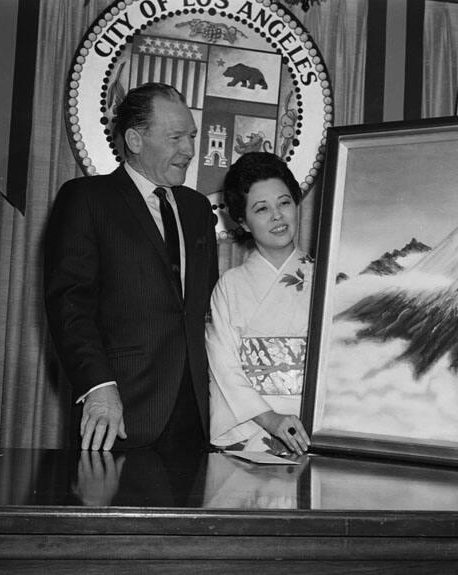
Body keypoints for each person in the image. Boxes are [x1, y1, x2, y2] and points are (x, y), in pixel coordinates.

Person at [45, 82, 218, 451]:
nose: (189, 150)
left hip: (197, 418)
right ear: (136, 140)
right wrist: (99, 387)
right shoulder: (87, 199)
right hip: (117, 413)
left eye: (191, 136)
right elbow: (69, 305)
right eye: (175, 138)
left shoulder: (198, 209)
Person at [206, 152, 311, 456]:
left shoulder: (328, 279)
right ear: (243, 223)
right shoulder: (231, 286)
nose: (277, 216)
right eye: (261, 209)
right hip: (251, 428)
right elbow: (223, 366)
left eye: (284, 203)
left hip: (314, 429)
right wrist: (270, 420)